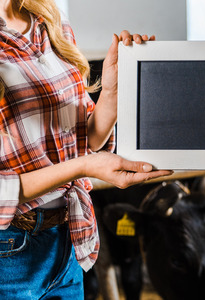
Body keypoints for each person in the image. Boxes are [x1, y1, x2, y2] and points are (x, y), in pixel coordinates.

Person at [0, 0, 172, 298]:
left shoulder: (50, 21)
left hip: (68, 236)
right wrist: (83, 167)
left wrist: (113, 90)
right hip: (9, 250)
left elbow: (86, 138)